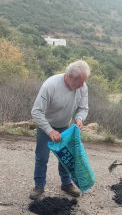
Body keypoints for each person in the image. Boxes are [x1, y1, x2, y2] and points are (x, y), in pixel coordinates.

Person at [30, 60, 90, 199]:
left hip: (65, 126)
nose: (82, 85)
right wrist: (50, 131)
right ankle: (39, 186)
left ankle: (66, 183)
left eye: (83, 82)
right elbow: (36, 112)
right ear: (70, 77)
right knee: (42, 157)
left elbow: (83, 108)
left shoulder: (82, 86)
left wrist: (80, 118)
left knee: (66, 157)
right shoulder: (50, 85)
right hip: (46, 127)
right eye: (80, 82)